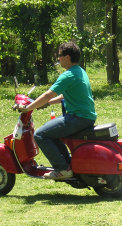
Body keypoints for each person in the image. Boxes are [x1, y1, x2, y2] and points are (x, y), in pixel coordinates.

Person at [18, 41, 97, 179]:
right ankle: (67, 165)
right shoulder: (79, 71)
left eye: (59, 56)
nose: (58, 59)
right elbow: (63, 95)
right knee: (52, 133)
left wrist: (28, 108)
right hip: (86, 116)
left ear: (67, 57)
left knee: (40, 134)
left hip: (78, 118)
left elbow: (49, 93)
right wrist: (47, 103)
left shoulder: (68, 75)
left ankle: (62, 169)